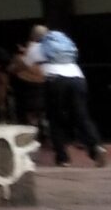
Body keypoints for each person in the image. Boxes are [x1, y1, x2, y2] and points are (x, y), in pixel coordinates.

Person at [25, 21, 106, 167]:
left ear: (33, 36)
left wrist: (29, 49)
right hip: (78, 78)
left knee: (55, 118)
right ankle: (96, 147)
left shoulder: (36, 47)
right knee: (81, 115)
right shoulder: (65, 43)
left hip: (55, 81)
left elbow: (27, 64)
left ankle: (63, 158)